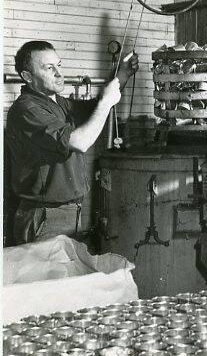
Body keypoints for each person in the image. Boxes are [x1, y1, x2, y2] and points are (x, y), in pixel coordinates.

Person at [6, 40, 139, 244]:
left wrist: (122, 75)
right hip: (44, 217)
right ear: (27, 77)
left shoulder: (58, 102)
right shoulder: (27, 110)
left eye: (58, 65)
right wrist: (106, 102)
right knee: (48, 276)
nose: (59, 73)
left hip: (67, 213)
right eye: (48, 68)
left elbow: (95, 109)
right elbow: (81, 141)